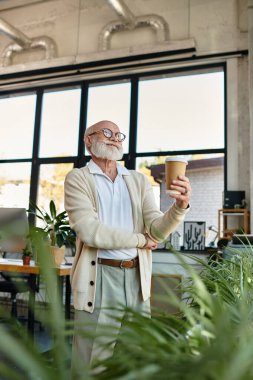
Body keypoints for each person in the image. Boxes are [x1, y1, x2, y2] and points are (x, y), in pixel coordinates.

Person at [64, 120, 191, 370]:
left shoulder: (137, 180)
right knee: (92, 362)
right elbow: (91, 232)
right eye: (107, 132)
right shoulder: (78, 178)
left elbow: (156, 228)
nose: (115, 138)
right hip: (99, 278)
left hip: (136, 278)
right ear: (88, 140)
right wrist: (141, 240)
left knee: (135, 358)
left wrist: (179, 207)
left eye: (119, 135)